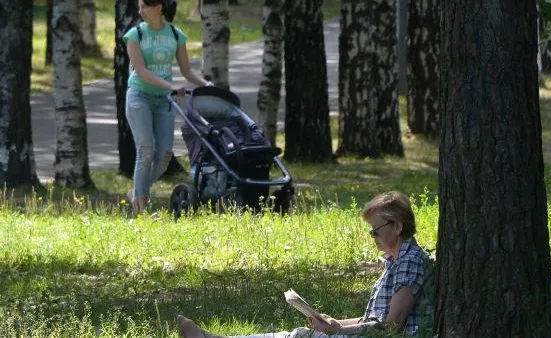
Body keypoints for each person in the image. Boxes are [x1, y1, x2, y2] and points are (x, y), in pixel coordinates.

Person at [177, 191, 431, 338]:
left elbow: (392, 326)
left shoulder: (408, 263)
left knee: (299, 337)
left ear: (396, 227)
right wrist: (336, 323)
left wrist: (339, 330)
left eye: (375, 231)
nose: (372, 237)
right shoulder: (397, 261)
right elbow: (375, 319)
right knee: (301, 335)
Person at [124, 0, 212, 215]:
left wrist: (207, 85)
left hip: (164, 100)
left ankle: (136, 190)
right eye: (139, 7)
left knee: (164, 155)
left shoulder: (175, 35)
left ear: (159, 7)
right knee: (145, 150)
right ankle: (141, 210)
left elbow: (187, 71)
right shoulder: (135, 35)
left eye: (144, 6)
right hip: (139, 97)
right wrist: (170, 85)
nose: (140, 11)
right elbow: (141, 71)